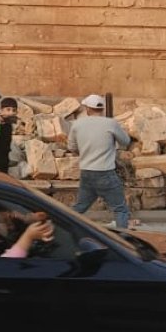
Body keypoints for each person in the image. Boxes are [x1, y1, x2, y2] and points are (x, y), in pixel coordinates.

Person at [67, 93, 133, 230]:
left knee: (80, 207)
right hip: (105, 172)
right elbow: (126, 141)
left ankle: (63, 227)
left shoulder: (77, 124)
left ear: (87, 109)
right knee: (120, 209)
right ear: (102, 108)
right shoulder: (111, 123)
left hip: (87, 172)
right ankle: (124, 241)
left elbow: (72, 147)